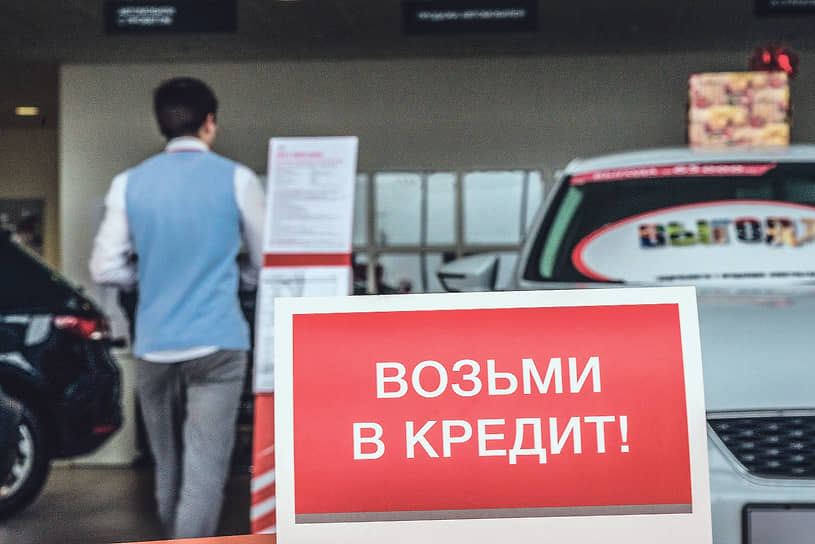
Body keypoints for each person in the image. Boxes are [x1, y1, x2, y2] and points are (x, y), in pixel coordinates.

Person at [89, 77, 265, 539]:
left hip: (155, 344)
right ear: (210, 122)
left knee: (167, 466)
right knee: (205, 470)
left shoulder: (128, 183)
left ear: (161, 124)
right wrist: (237, 279)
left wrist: (146, 278)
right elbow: (265, 260)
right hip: (218, 343)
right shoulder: (238, 178)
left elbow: (105, 267)